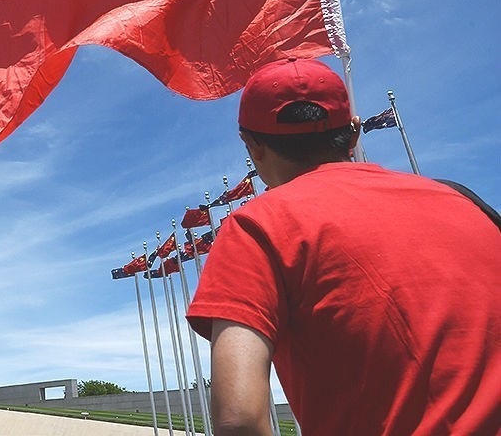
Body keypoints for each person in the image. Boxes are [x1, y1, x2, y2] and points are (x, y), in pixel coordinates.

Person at [186, 57, 500, 436]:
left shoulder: (256, 226)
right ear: (354, 133)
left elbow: (239, 420)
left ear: (251, 145)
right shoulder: (465, 202)